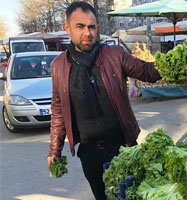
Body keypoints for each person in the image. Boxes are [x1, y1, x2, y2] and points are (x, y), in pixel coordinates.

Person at [46, 2, 161, 200]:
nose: (87, 33)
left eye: (91, 27)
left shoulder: (114, 54)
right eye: (80, 26)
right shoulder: (58, 66)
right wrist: (54, 150)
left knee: (132, 195)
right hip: (89, 153)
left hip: (123, 147)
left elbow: (146, 71)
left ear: (97, 28)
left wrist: (172, 63)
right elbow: (58, 110)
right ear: (67, 28)